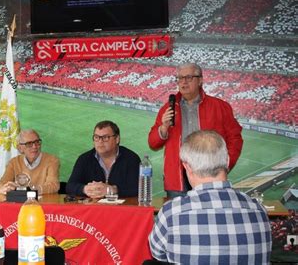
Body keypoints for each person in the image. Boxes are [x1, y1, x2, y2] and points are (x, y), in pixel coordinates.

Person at [149, 130, 271, 264]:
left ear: (186, 167)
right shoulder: (259, 211)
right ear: (227, 160)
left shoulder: (171, 213)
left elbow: (158, 254)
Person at [148, 63, 243, 198]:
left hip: (210, 176)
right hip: (177, 180)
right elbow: (153, 143)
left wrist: (226, 164)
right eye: (180, 78)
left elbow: (235, 138)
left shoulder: (220, 107)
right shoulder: (167, 109)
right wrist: (163, 128)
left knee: (209, 217)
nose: (183, 82)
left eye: (189, 77)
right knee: (178, 217)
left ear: (200, 80)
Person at [66, 120, 140, 198]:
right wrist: (85, 189)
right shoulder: (84, 159)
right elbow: (70, 186)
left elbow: (137, 188)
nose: (100, 141)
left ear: (117, 139)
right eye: (96, 137)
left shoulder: (131, 159)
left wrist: (112, 190)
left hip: (122, 208)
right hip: (94, 208)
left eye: (105, 137)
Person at [0, 129, 60, 195]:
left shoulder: (52, 160)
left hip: (43, 203)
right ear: (20, 148)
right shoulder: (13, 162)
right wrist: (3, 189)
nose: (34, 146)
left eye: (37, 142)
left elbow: (53, 186)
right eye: (29, 144)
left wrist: (28, 189)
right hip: (19, 203)